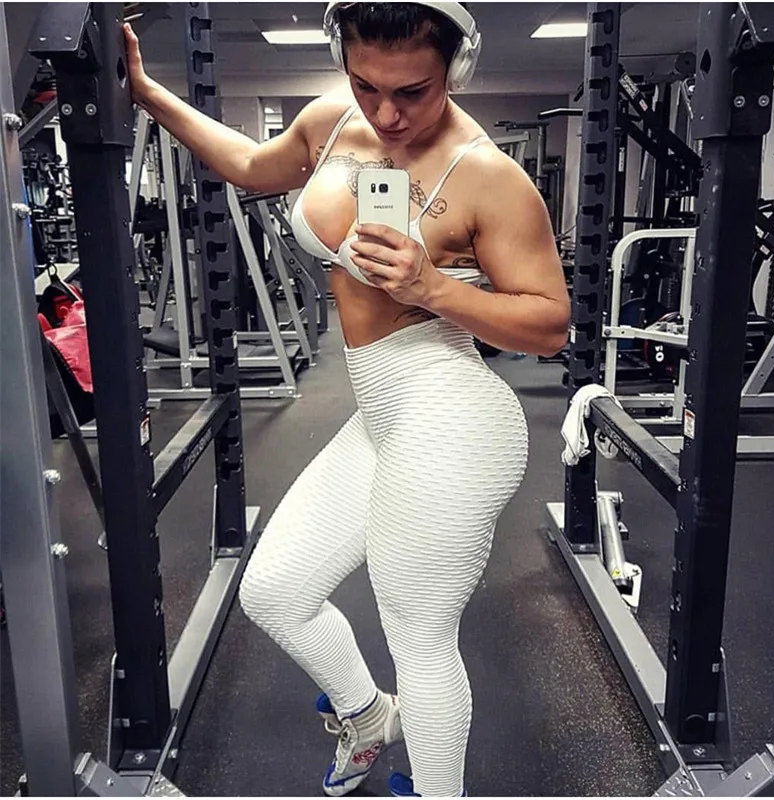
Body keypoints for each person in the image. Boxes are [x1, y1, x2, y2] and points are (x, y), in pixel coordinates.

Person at [124, 2, 570, 796]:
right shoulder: (332, 123)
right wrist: (148, 93)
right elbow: (252, 166)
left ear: (455, 70)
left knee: (418, 635)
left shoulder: (488, 177)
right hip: (382, 414)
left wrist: (433, 287)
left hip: (452, 416)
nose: (387, 114)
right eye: (368, 85)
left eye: (413, 92)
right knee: (276, 592)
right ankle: (368, 718)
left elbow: (549, 325)